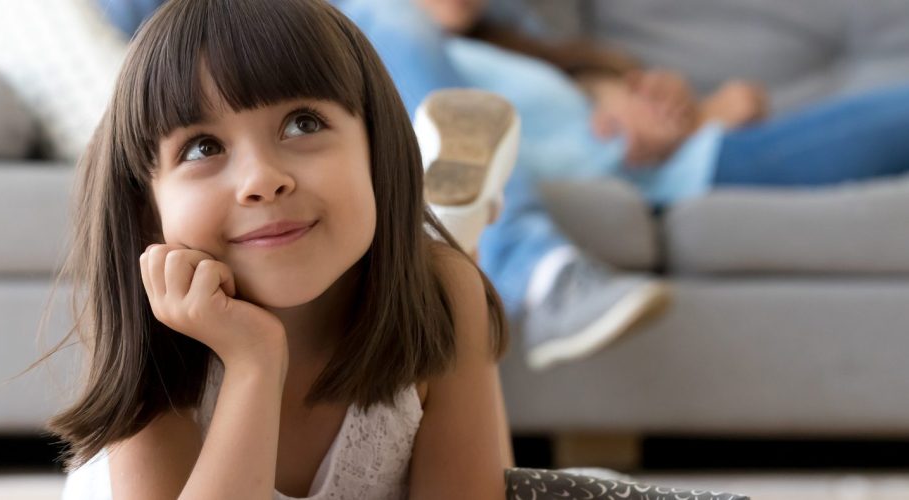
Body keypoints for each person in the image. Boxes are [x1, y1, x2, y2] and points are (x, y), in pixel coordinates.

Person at [50, 0, 517, 498]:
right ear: (148, 207)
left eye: (303, 124)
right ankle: (448, 216)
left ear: (378, 147)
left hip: (411, 264)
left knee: (436, 271)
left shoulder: (443, 295)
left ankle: (443, 220)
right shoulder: (156, 338)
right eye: (203, 147)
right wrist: (254, 363)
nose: (262, 181)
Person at [343, 0, 909, 371]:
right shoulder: (375, 36)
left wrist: (698, 109)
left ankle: (534, 269)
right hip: (677, 176)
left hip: (702, 158)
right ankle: (531, 267)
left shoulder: (516, 50)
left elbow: (682, 117)